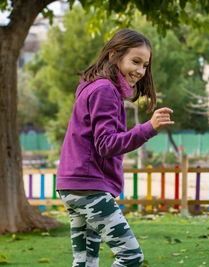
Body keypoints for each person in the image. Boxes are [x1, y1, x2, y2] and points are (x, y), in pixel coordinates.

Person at [56, 29, 174, 267]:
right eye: (135, 61)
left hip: (72, 186)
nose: (140, 71)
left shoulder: (92, 87)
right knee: (130, 256)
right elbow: (106, 144)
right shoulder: (105, 90)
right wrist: (148, 128)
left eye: (145, 65)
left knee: (85, 262)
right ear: (114, 55)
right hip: (88, 187)